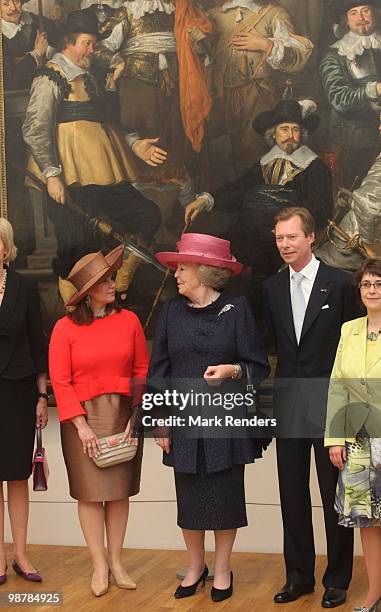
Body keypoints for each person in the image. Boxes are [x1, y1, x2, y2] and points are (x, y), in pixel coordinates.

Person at [149, 232, 270, 602]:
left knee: (225, 496)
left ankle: (221, 570)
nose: (176, 275)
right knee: (189, 499)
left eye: (182, 268)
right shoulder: (170, 311)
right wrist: (160, 418)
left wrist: (232, 370)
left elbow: (257, 366)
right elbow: (160, 369)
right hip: (184, 422)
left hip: (225, 421)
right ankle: (195, 567)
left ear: (204, 271)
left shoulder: (237, 309)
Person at [22, 9, 161, 302]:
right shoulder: (51, 76)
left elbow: (109, 120)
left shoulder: (92, 77)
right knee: (76, 244)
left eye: (93, 43)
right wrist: (51, 175)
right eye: (86, 43)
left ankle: (121, 277)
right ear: (68, 44)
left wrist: (135, 144)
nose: (92, 49)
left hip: (104, 172)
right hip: (69, 178)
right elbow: (35, 129)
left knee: (147, 214)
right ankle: (74, 309)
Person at [262, 207, 359, 607]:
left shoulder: (340, 284)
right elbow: (272, 349)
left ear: (311, 237)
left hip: (331, 402)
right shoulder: (269, 287)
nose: (284, 245)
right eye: (279, 238)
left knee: (334, 493)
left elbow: (352, 350)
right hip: (288, 404)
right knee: (291, 494)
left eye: (292, 237)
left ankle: (337, 579)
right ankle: (298, 576)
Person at [48, 245, 149, 598]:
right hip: (82, 422)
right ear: (87, 291)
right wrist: (81, 425)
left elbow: (141, 370)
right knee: (91, 496)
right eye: (105, 280)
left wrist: (137, 415)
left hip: (123, 415)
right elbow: (59, 380)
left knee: (119, 493)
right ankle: (99, 565)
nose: (113, 283)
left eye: (111, 277)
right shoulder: (64, 328)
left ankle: (117, 562)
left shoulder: (130, 320)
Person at [186, 100, 333, 299]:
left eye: (295, 129)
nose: (290, 135)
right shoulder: (265, 161)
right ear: (273, 134)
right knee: (220, 258)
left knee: (263, 279)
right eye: (284, 129)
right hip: (249, 229)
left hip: (281, 238)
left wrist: (288, 227)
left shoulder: (315, 167)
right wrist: (207, 200)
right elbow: (241, 190)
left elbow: (320, 209)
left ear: (302, 134)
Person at [325, 258, 381, 612]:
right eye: (366, 284)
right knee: (368, 520)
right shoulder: (349, 329)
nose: (373, 290)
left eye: (379, 283)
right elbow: (337, 388)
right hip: (358, 441)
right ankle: (375, 592)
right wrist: (334, 437)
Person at [208, 0, 313, 176]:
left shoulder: (274, 14)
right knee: (223, 151)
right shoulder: (213, 15)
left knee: (254, 150)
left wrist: (267, 45)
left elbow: (298, 60)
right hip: (220, 95)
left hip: (259, 94)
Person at [0, 218, 48, 585]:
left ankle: (20, 553)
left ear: (6, 248)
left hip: (18, 391)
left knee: (17, 475)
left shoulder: (23, 287)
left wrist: (42, 396)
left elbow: (38, 343)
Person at [320, 1, 381, 189]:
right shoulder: (335, 55)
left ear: (375, 14)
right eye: (354, 13)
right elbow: (339, 98)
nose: (361, 18)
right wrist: (375, 90)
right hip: (354, 141)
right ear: (346, 20)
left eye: (365, 11)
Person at [1, 0, 59, 90]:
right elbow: (8, 81)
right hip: (15, 97)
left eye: (16, 1)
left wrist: (50, 54)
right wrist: (37, 53)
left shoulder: (44, 23)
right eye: (6, 4)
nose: (13, 8)